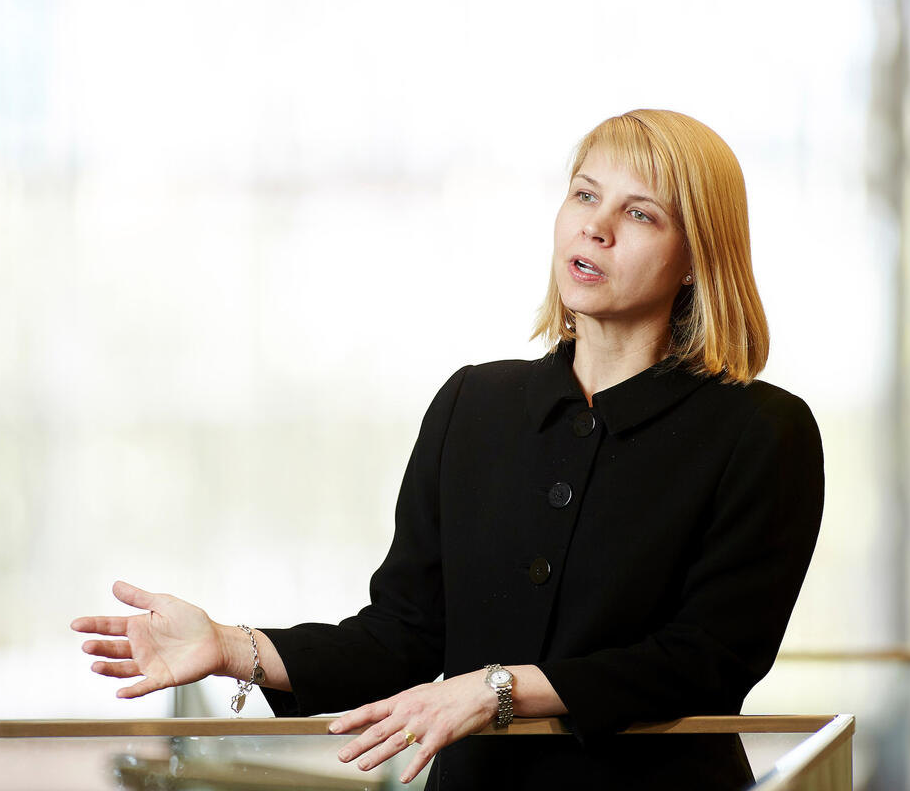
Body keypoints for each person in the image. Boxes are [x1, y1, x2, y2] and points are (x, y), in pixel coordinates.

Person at [71, 109, 824, 790]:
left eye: (641, 213)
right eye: (585, 195)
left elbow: (707, 659)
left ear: (696, 257)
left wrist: (495, 688)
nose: (596, 228)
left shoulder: (762, 430)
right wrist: (235, 647)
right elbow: (402, 636)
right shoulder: (475, 403)